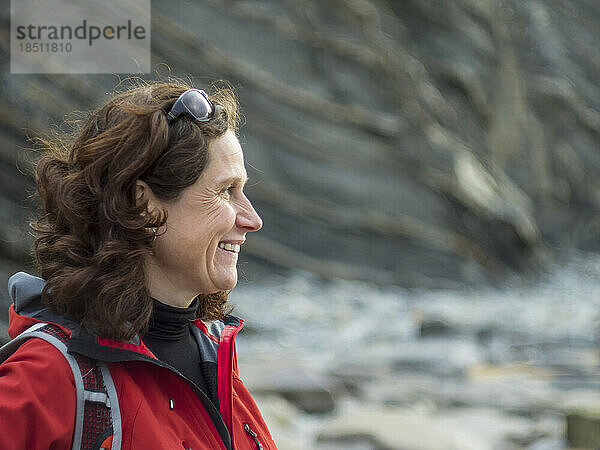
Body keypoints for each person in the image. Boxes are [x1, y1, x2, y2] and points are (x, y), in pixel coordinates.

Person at [0, 81, 276, 449]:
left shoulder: (215, 353)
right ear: (142, 205)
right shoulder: (47, 378)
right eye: (225, 191)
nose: (252, 219)